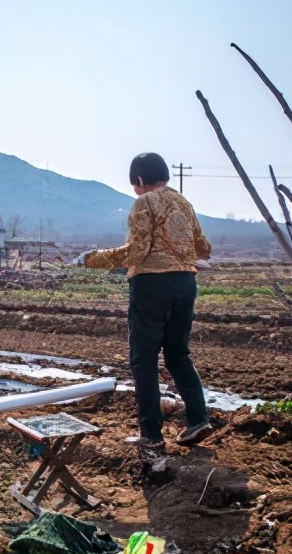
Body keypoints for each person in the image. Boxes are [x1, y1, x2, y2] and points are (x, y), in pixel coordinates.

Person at [83, 152, 214, 452]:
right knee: (178, 355)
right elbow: (203, 248)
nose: (136, 191)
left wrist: (95, 259)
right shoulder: (184, 203)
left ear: (139, 180)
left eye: (134, 185)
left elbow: (138, 250)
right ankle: (198, 419)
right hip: (186, 283)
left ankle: (151, 434)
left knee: (144, 359)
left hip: (152, 285)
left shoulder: (144, 203)